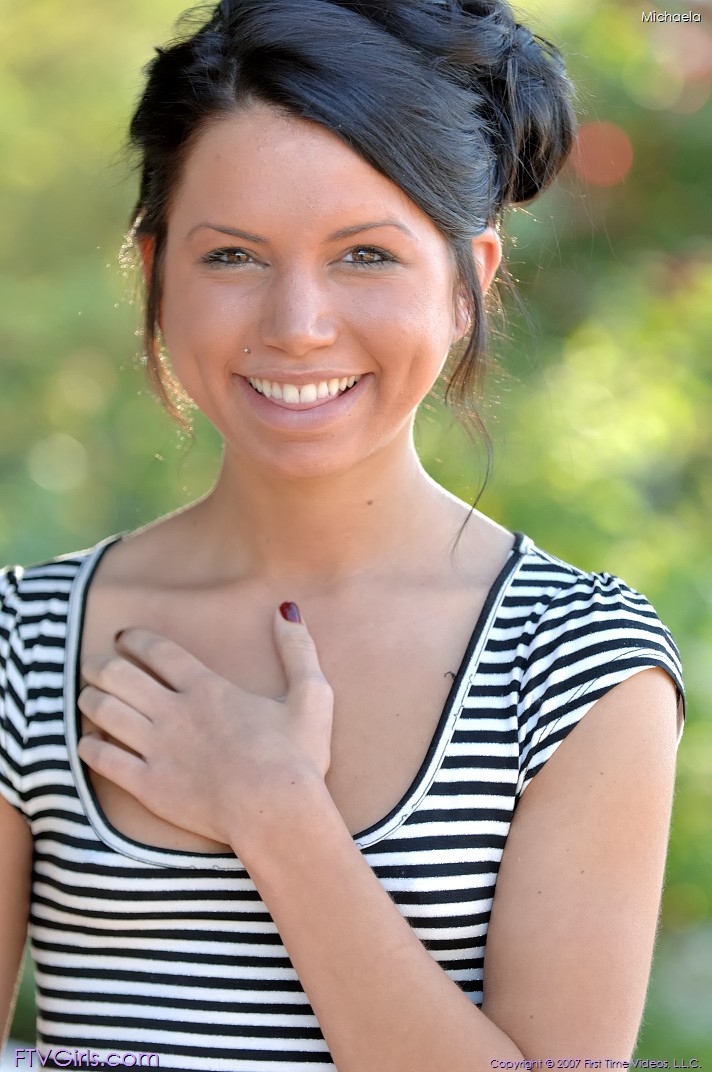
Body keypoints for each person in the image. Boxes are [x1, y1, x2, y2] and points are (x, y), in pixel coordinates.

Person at [0, 1, 685, 1069]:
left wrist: (276, 816)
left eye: (365, 255)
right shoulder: (25, 641)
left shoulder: (576, 665)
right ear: (155, 270)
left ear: (468, 282)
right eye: (234, 256)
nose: (297, 326)